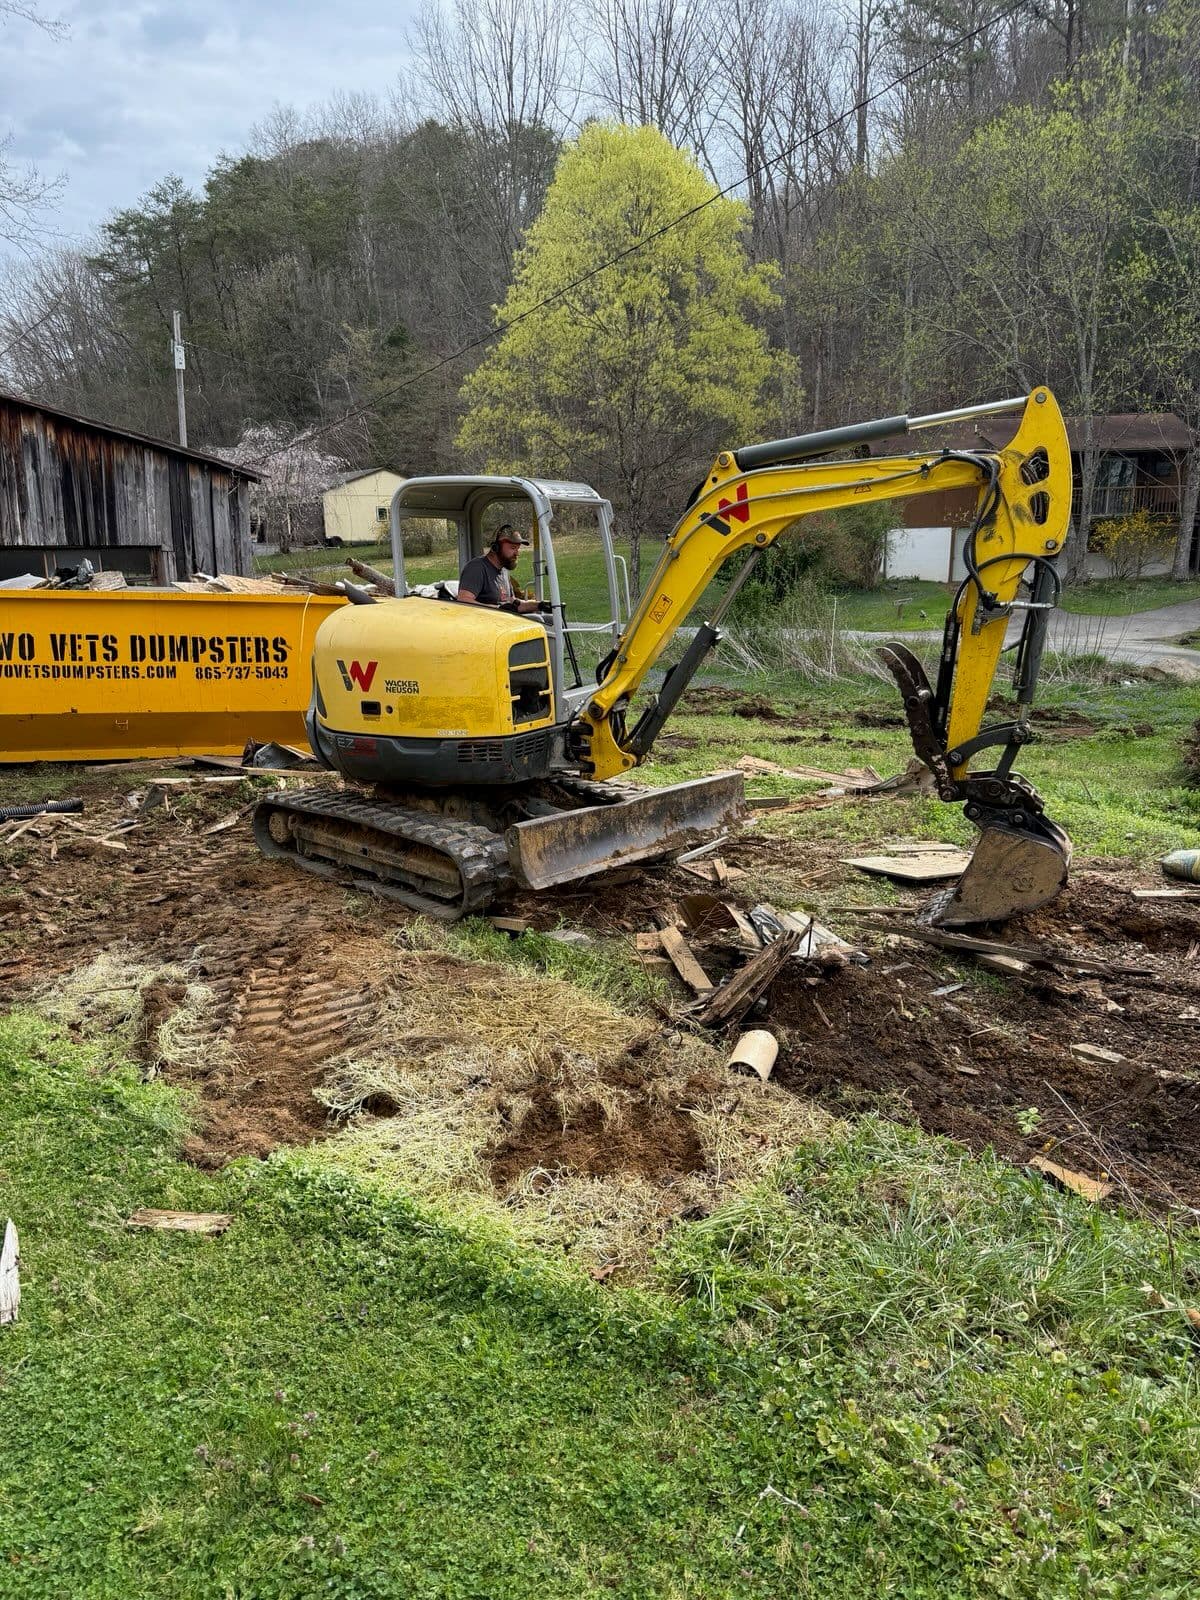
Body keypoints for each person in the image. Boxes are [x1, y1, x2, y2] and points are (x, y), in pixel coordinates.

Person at [457, 525, 544, 614]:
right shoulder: (476, 568)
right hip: (487, 623)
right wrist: (499, 608)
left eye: (518, 549)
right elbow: (463, 600)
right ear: (496, 547)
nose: (517, 553)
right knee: (537, 619)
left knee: (549, 619)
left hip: (505, 620)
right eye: (513, 548)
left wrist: (541, 605)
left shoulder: (504, 570)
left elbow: (512, 603)